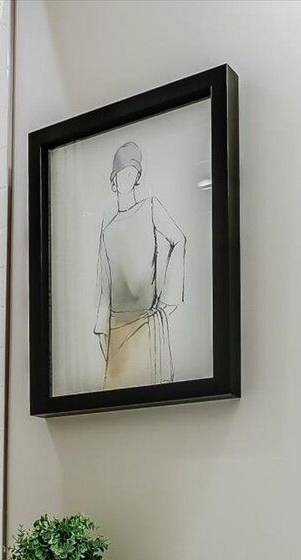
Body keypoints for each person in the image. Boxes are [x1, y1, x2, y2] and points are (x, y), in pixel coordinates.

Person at [93, 141, 186, 388]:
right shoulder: (108, 230)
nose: (126, 179)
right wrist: (102, 332)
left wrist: (169, 298)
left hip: (146, 323)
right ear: (113, 181)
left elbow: (179, 240)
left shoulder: (150, 208)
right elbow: (105, 286)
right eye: (122, 174)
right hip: (117, 328)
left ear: (137, 179)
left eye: (132, 174)